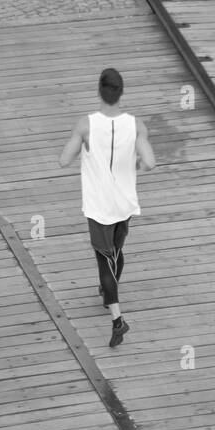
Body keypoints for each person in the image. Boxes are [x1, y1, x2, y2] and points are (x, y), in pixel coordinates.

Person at [58, 68, 156, 347]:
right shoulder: (136, 125)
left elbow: (64, 160)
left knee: (104, 259)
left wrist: (80, 149)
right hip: (124, 202)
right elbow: (150, 162)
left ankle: (118, 320)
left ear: (99, 92)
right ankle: (107, 290)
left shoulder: (85, 124)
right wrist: (134, 164)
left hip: (99, 204)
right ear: (121, 93)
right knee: (116, 252)